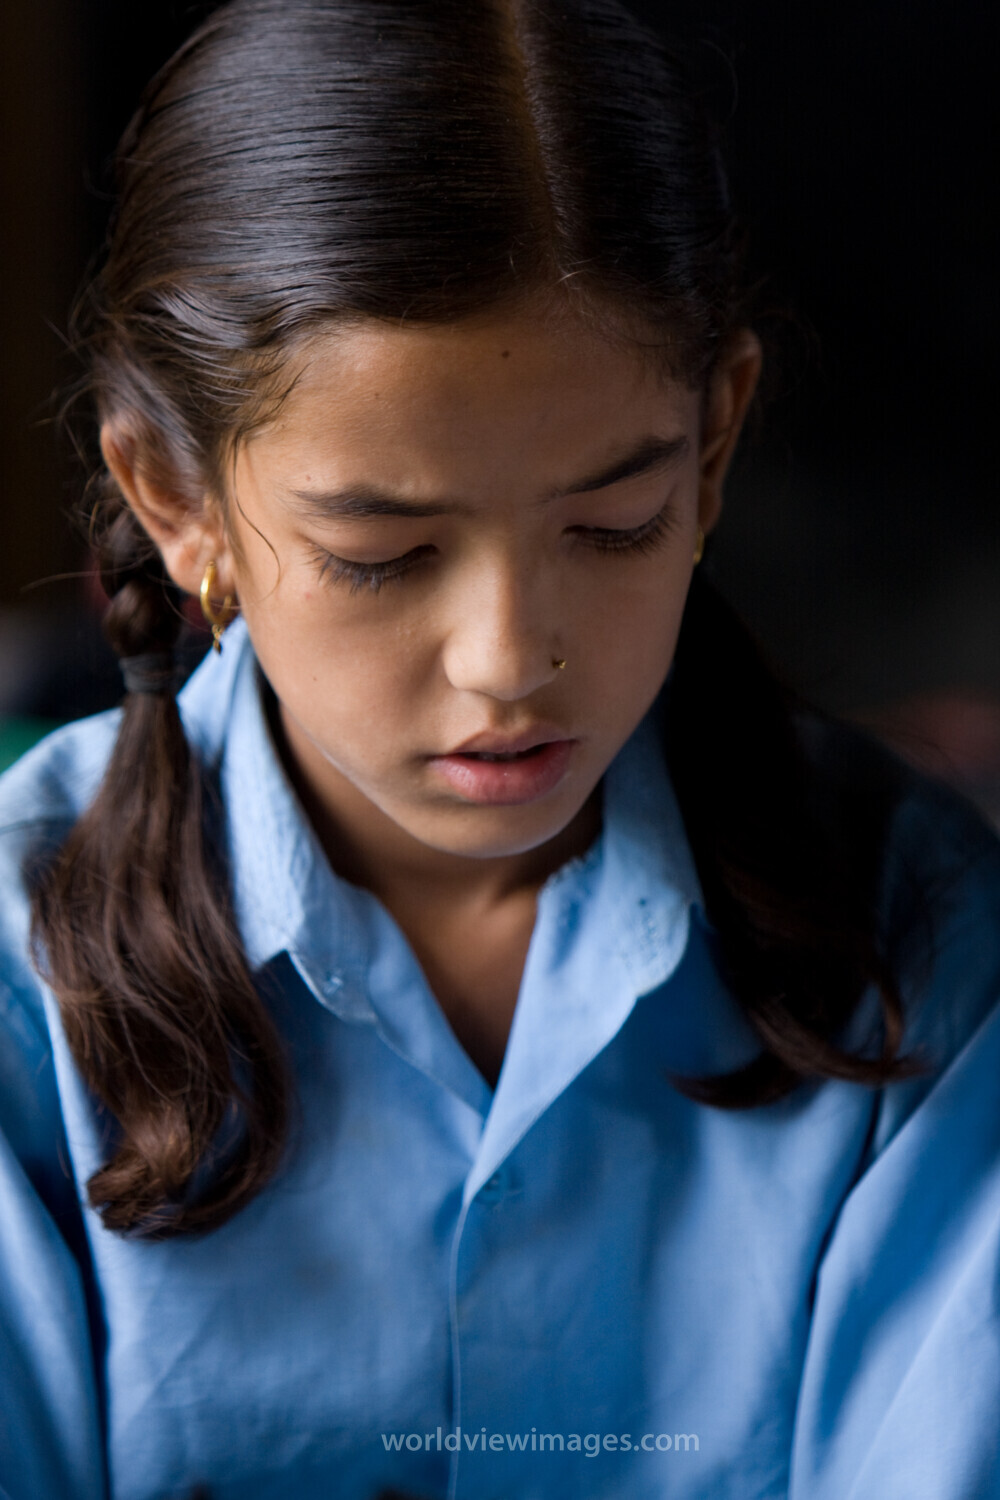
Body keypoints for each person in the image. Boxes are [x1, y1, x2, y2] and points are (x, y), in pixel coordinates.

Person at [2, 2, 999, 1497]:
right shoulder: (23, 979)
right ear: (175, 499)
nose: (511, 659)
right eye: (385, 553)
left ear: (713, 445)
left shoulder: (928, 954)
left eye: (613, 525)